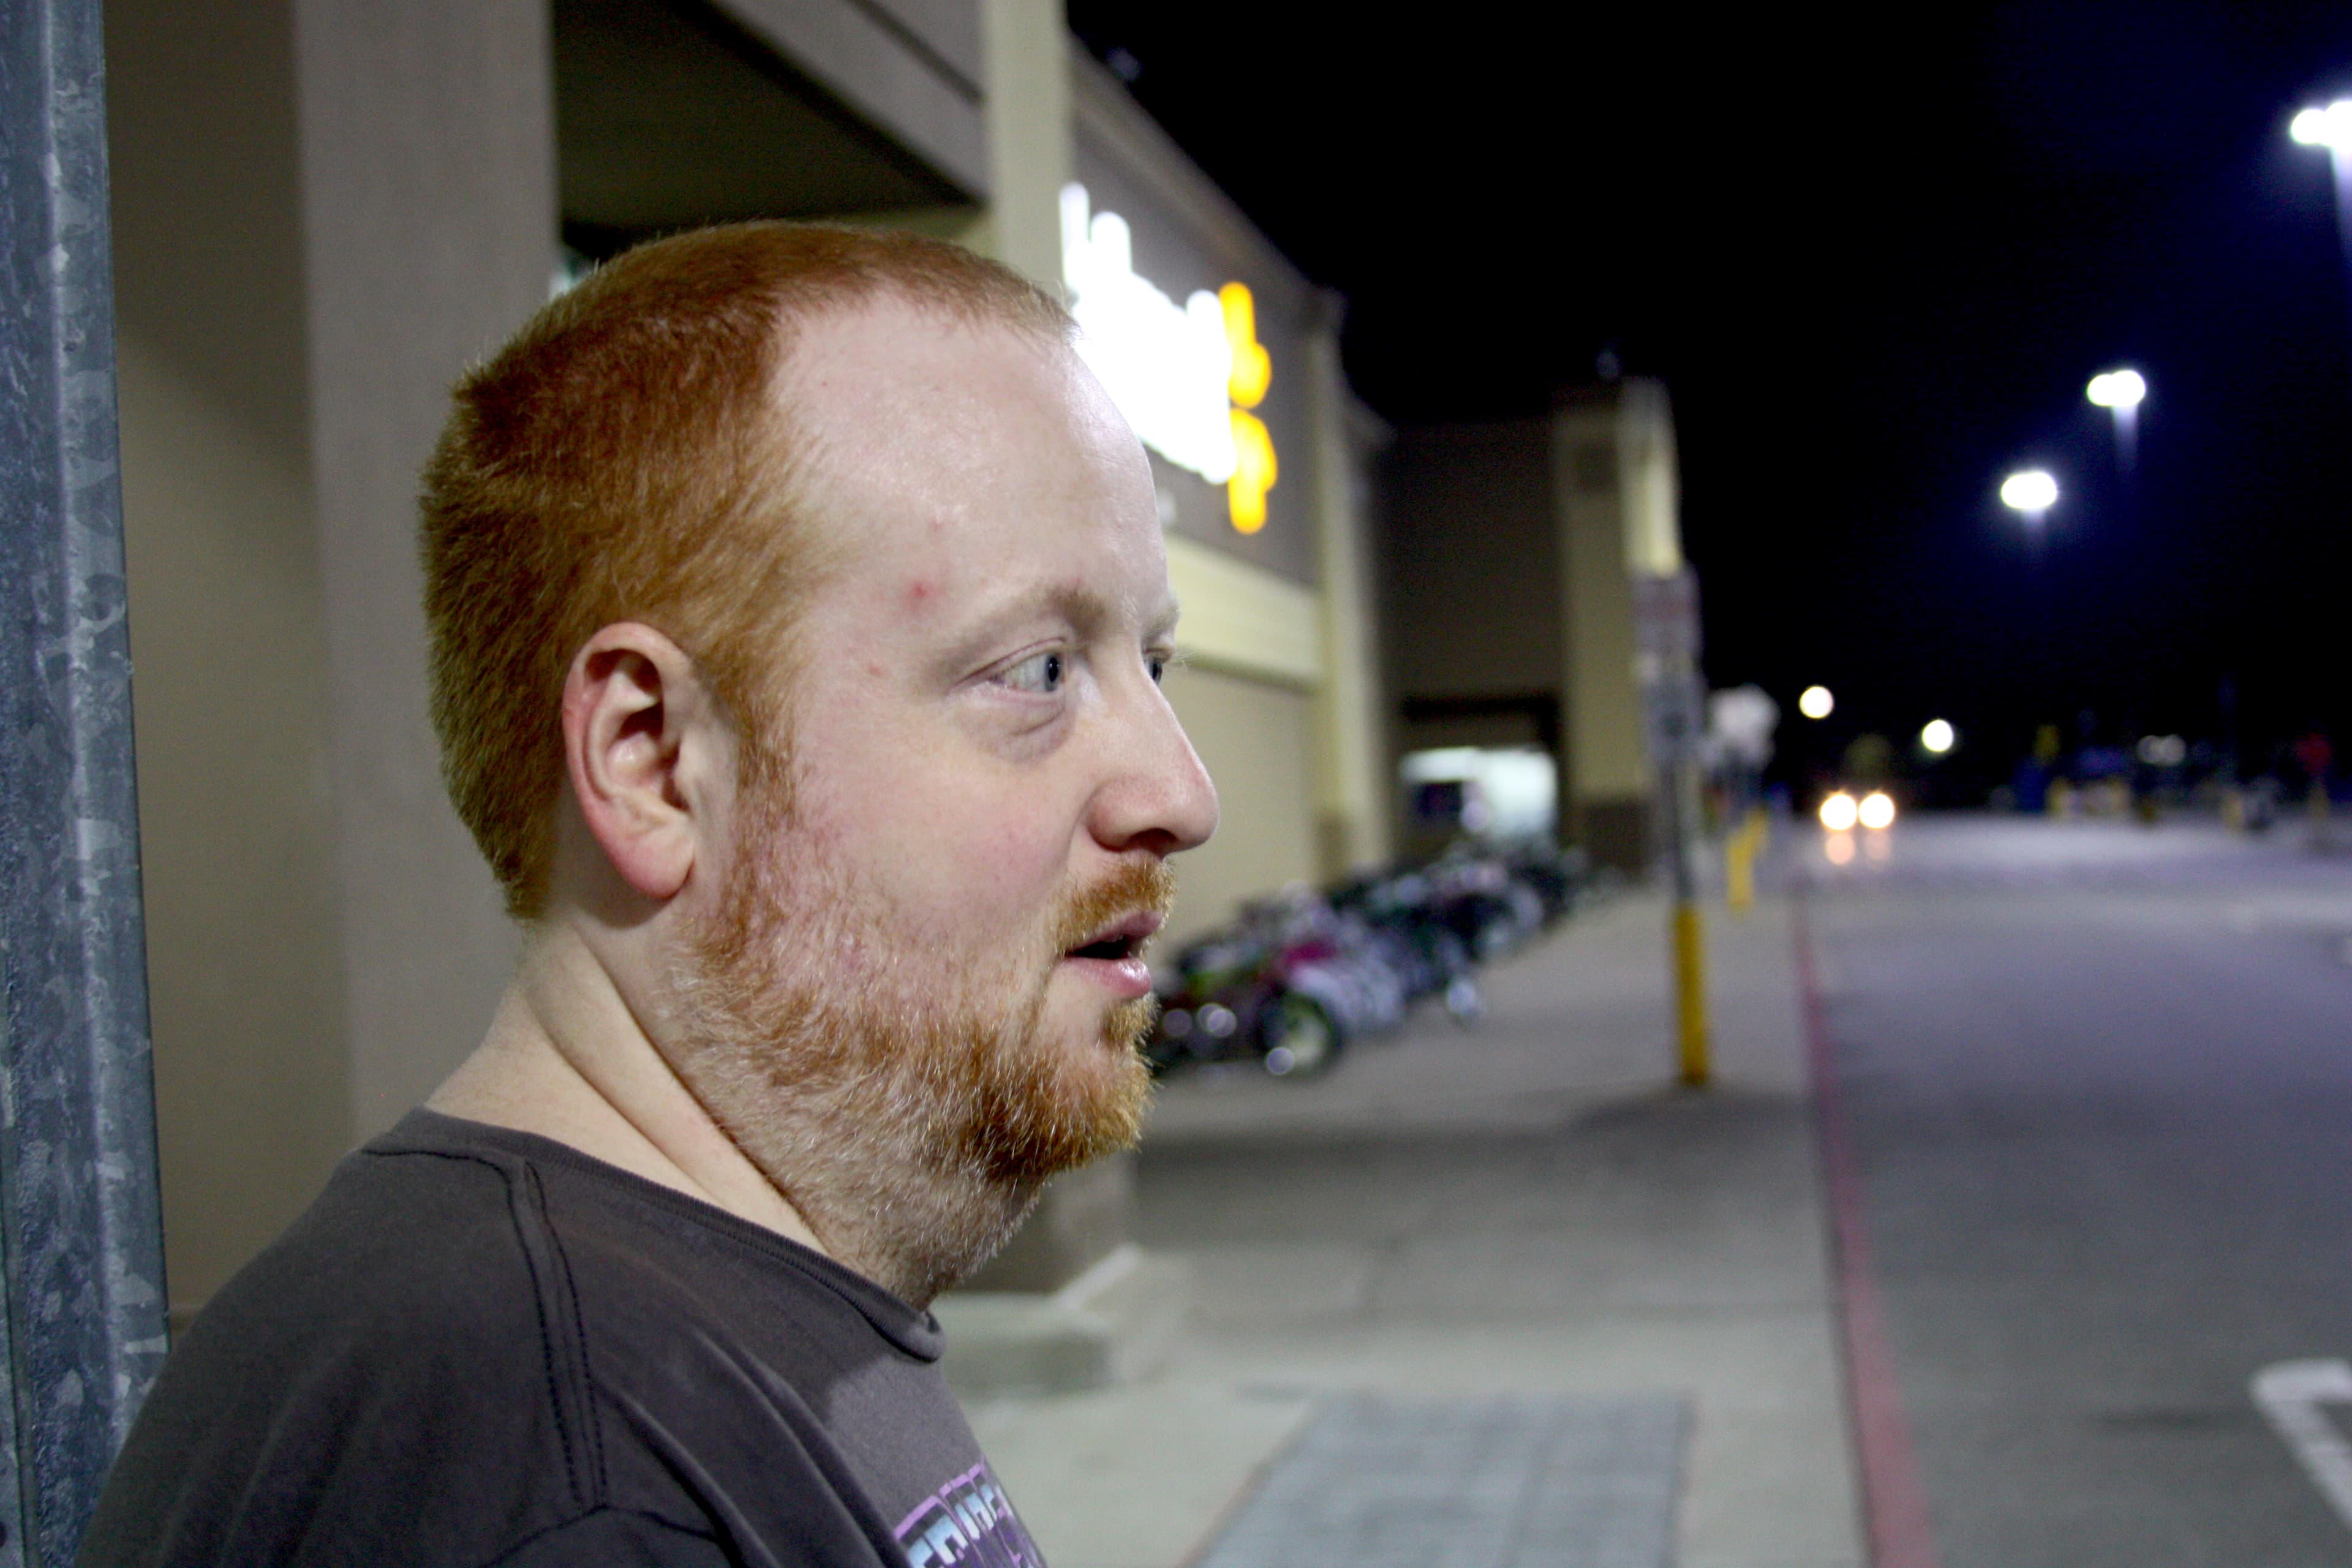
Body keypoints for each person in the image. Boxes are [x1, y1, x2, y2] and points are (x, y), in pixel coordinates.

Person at [79, 223, 1218, 1566]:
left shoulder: (665, 1349)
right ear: (654, 761)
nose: (1182, 792)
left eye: (1152, 662)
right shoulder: (563, 1476)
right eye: (1037, 671)